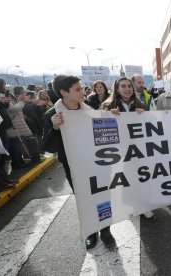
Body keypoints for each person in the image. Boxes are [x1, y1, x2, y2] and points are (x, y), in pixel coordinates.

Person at [43, 75, 116, 250]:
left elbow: (104, 135)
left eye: (82, 88)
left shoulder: (90, 110)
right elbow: (48, 147)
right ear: (63, 93)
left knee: (103, 197)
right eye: (77, 89)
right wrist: (54, 128)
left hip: (97, 164)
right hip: (74, 167)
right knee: (84, 199)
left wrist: (113, 119)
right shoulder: (52, 114)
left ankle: (106, 231)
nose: (83, 92)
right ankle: (91, 231)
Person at [101, 77, 154, 219]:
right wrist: (109, 117)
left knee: (140, 178)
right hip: (119, 151)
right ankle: (128, 205)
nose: (127, 89)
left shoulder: (139, 103)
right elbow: (101, 130)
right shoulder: (107, 105)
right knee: (124, 180)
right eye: (123, 86)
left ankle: (141, 206)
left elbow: (150, 126)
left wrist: (144, 116)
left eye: (129, 86)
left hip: (138, 149)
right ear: (117, 89)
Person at [0, 78, 17, 192]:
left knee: (3, 155)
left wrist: (5, 102)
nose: (5, 86)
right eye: (4, 84)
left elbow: (3, 107)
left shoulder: (1, 94)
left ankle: (4, 178)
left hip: (2, 127)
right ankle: (0, 182)